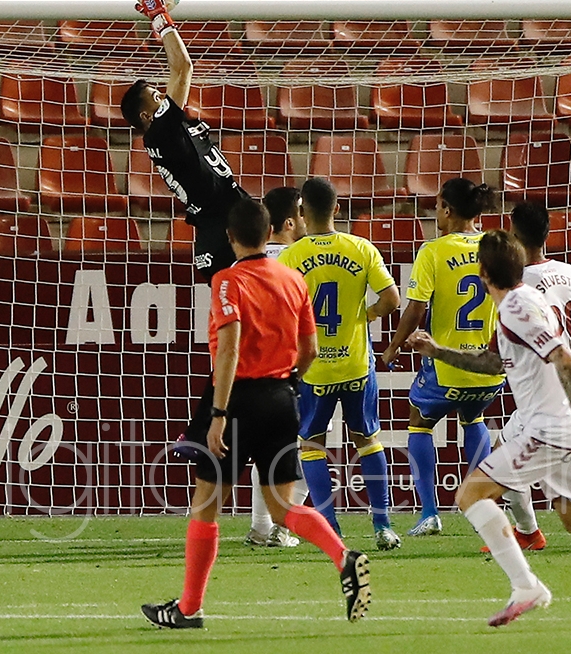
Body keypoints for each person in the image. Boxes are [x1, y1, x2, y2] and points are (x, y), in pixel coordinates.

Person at [404, 231, 571, 629]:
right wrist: (438, 351)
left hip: (551, 429)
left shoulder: (517, 307)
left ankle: (525, 586)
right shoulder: (520, 303)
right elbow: (493, 363)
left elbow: (563, 357)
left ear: (483, 272)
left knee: (471, 494)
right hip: (561, 429)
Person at [142, 199, 371, 629]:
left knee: (205, 507)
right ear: (269, 234)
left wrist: (218, 413)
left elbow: (229, 349)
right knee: (282, 510)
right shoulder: (293, 279)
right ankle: (343, 555)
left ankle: (189, 608)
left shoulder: (227, 280)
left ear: (230, 237)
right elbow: (310, 350)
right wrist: (288, 383)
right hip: (283, 398)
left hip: (237, 400)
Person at [279, 178, 403, 550]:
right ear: (337, 208)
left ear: (301, 211)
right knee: (367, 440)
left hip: (314, 368)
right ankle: (382, 525)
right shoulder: (361, 248)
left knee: (311, 444)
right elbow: (392, 299)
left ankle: (330, 527)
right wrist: (366, 315)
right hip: (356, 365)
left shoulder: (291, 257)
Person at [492, 201, 571, 552]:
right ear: (547, 234)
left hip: (550, 390)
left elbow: (506, 350)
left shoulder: (517, 285)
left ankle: (529, 532)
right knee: (563, 464)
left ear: (514, 236)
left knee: (503, 458)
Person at [382, 178, 501, 536]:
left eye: (436, 206)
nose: (435, 212)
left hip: (446, 366)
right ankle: (483, 510)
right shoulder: (496, 246)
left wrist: (393, 346)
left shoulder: (433, 251)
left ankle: (429, 513)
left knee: (419, 420)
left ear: (447, 210)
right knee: (474, 417)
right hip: (488, 367)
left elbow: (416, 308)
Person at [120, 0, 247, 282]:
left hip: (223, 225)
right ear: (146, 116)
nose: (164, 96)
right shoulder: (161, 133)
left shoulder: (174, 130)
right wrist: (159, 16)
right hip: (223, 232)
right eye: (156, 96)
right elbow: (183, 67)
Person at [246, 186, 310, 548]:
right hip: (297, 369)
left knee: (265, 452)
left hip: (254, 373)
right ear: (289, 222)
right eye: (301, 213)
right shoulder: (302, 260)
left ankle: (260, 527)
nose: (305, 219)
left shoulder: (246, 262)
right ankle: (282, 527)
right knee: (308, 449)